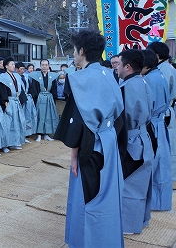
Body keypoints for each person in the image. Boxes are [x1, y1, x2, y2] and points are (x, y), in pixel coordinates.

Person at [54, 30, 125, 248]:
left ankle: (90, 243)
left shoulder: (80, 78)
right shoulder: (108, 74)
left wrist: (74, 153)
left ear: (81, 51)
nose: (74, 55)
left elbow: (78, 120)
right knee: (107, 195)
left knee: (89, 198)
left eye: (74, 50)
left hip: (91, 145)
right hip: (109, 141)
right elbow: (120, 113)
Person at [117, 49, 154, 234]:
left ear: (128, 67)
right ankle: (141, 219)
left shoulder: (125, 88)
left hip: (131, 140)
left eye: (119, 64)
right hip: (145, 137)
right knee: (141, 183)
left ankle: (128, 225)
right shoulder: (145, 82)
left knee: (128, 185)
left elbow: (120, 120)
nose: (117, 67)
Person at [141, 48, 173, 211]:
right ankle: (160, 202)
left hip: (152, 124)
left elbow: (146, 107)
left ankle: (153, 202)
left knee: (153, 165)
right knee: (162, 165)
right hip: (160, 123)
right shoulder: (159, 75)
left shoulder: (149, 79)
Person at [0, 57, 27, 153]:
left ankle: (15, 142)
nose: (14, 66)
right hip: (9, 101)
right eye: (11, 64)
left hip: (16, 100)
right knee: (7, 123)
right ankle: (5, 145)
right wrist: (5, 103)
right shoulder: (2, 77)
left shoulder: (17, 76)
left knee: (17, 122)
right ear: (6, 66)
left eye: (14, 64)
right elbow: (3, 91)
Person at [28, 59, 59, 142]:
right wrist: (36, 99)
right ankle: (39, 134)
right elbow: (34, 89)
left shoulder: (53, 76)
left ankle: (46, 134)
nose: (44, 66)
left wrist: (53, 98)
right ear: (40, 66)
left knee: (48, 116)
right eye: (42, 65)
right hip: (39, 98)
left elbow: (54, 89)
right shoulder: (35, 76)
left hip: (49, 98)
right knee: (40, 116)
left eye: (46, 65)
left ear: (48, 66)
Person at [16, 61, 36, 140]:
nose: (22, 70)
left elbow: (30, 87)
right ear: (16, 69)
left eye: (23, 69)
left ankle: (27, 134)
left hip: (28, 98)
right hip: (20, 99)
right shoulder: (15, 76)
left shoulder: (26, 76)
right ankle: (21, 134)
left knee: (28, 116)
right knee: (21, 117)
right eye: (21, 69)